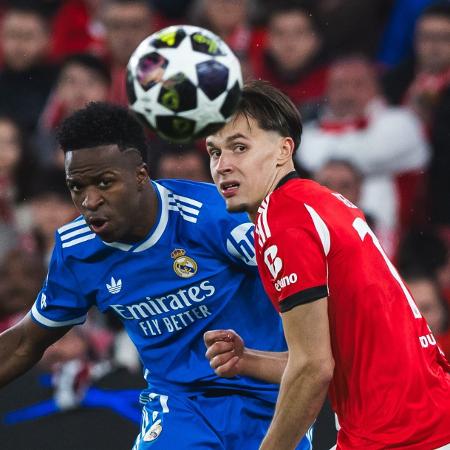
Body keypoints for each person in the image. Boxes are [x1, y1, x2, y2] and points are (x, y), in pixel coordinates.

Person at [0, 101, 312, 450]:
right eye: (77, 186)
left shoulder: (216, 217)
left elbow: (312, 285)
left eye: (104, 183)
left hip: (266, 397)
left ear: (140, 175)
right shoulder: (77, 250)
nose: (89, 201)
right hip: (178, 405)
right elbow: (26, 341)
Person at [205, 80, 450, 450]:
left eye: (239, 147)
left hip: (402, 436)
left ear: (283, 149)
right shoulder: (321, 201)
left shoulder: (281, 220)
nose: (222, 166)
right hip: (425, 418)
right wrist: (248, 360)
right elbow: (333, 355)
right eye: (214, 152)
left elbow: (314, 369)